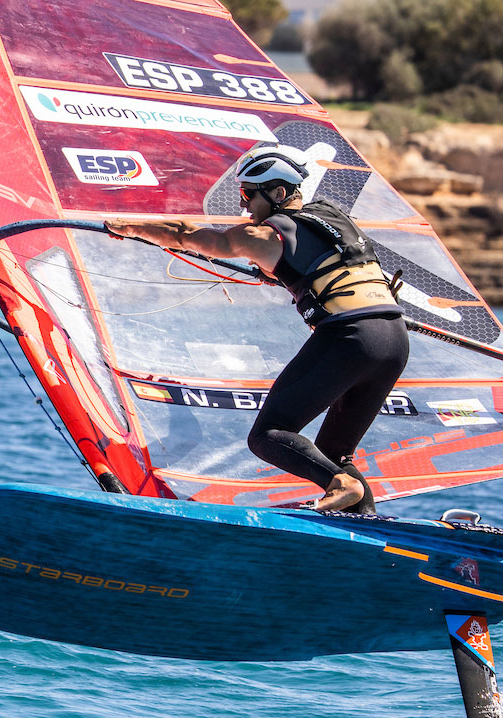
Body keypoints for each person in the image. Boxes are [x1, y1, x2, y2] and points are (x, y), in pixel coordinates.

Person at [105, 144, 408, 513]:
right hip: (394, 338)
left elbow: (189, 235)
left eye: (249, 195)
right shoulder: (333, 220)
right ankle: (366, 527)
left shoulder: (266, 235)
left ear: (278, 194)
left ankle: (341, 485)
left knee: (269, 435)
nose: (245, 207)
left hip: (351, 337)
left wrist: (128, 227)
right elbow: (318, 265)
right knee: (332, 453)